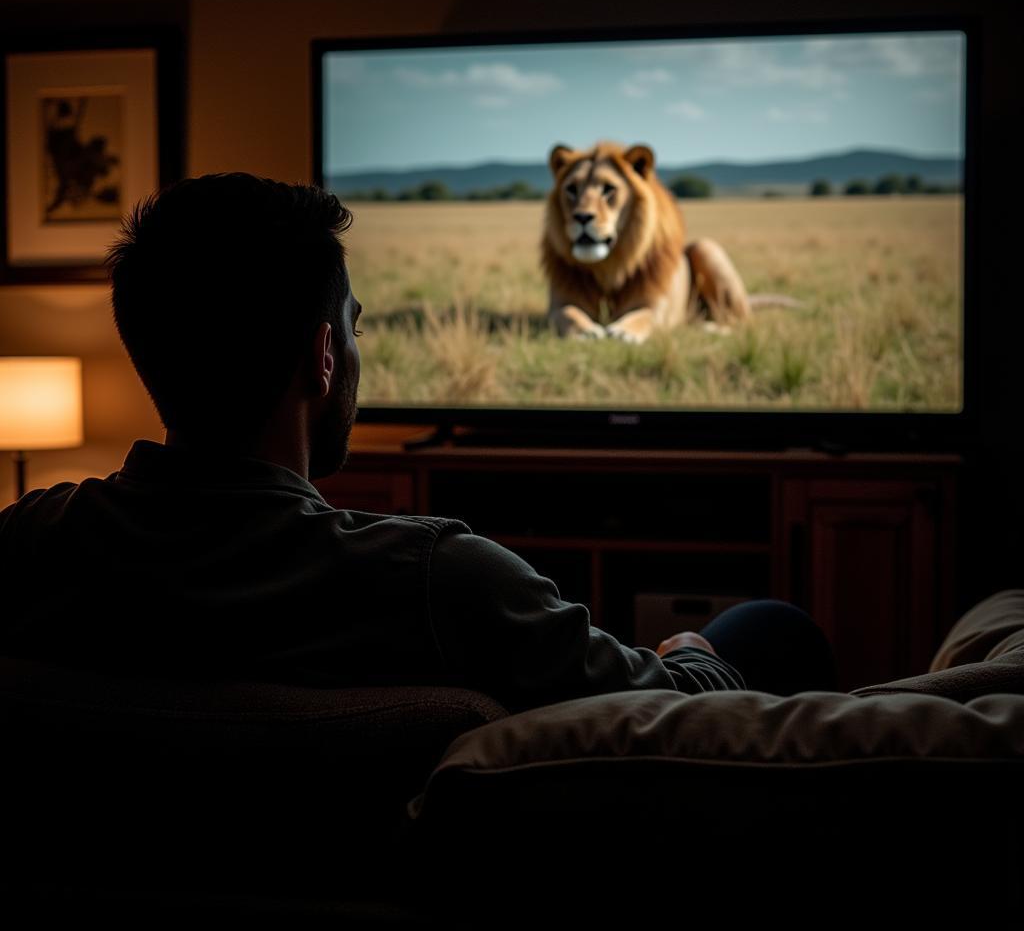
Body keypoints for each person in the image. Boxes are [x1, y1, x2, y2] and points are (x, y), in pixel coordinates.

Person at [0, 173, 837, 713]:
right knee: (768, 625)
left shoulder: (32, 543)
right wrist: (688, 649)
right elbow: (669, 710)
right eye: (354, 328)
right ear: (324, 359)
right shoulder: (440, 578)